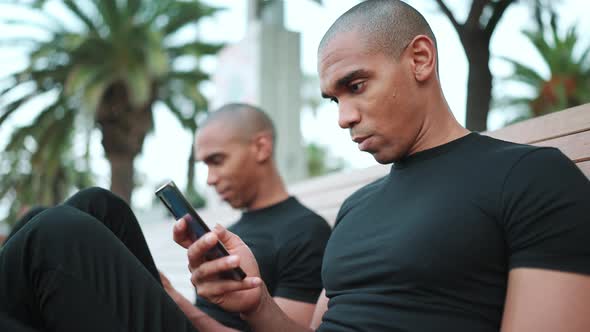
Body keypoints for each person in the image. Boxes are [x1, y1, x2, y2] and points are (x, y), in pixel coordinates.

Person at [180, 1, 590, 331]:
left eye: (355, 86)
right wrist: (257, 304)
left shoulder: (532, 178)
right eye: (334, 100)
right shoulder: (357, 208)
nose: (343, 116)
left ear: (420, 59)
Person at [162, 103, 331, 331]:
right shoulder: (230, 234)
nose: (210, 179)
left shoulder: (307, 231)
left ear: (261, 147)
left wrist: (174, 302)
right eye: (205, 165)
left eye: (217, 160)